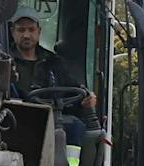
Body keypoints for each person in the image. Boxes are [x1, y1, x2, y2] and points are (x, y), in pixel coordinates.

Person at [8, 11, 95, 148]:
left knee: (75, 126)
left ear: (39, 31)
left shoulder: (53, 62)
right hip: (16, 121)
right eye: (21, 30)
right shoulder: (4, 63)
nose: (26, 35)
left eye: (31, 29)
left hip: (52, 121)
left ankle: (70, 162)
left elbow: (75, 91)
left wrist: (87, 99)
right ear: (12, 32)